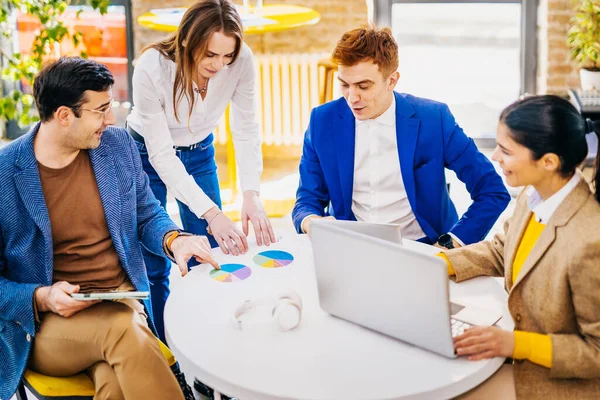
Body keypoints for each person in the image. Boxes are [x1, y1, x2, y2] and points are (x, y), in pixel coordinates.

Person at [0, 57, 219, 400]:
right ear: (63, 116)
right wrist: (42, 297)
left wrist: (175, 239)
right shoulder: (5, 174)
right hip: (46, 323)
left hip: (120, 301)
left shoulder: (117, 147)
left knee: (114, 383)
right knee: (123, 331)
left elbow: (147, 214)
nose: (111, 119)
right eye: (101, 110)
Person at [127, 0, 276, 341]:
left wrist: (251, 193)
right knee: (156, 261)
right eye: (210, 55)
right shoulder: (152, 66)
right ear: (187, 42)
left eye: (227, 56)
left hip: (199, 152)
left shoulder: (242, 61)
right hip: (146, 154)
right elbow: (162, 155)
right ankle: (164, 355)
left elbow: (246, 127)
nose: (220, 65)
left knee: (210, 253)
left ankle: (210, 344)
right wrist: (211, 211)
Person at [292, 26, 510, 247]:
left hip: (425, 247)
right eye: (344, 85)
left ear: (392, 80)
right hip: (352, 245)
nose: (352, 97)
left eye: (363, 86)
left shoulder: (434, 119)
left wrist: (450, 244)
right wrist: (311, 222)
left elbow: (492, 190)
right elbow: (307, 199)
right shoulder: (322, 121)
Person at [443, 95, 600, 399]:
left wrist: (514, 344)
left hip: (559, 384)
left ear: (549, 162)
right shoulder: (535, 192)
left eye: (505, 151)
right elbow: (503, 249)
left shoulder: (590, 240)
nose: (495, 158)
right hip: (515, 355)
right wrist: (440, 262)